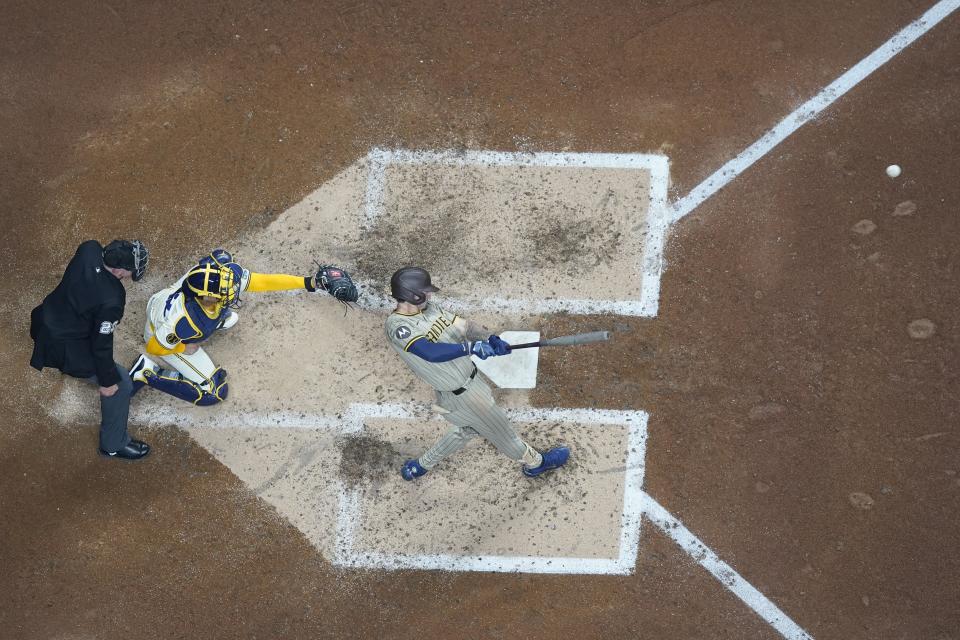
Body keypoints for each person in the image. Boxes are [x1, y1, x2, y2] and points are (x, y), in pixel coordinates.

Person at [385, 266, 569, 480]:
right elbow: (430, 352)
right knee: (504, 435)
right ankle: (537, 464)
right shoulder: (398, 326)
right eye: (425, 291)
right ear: (412, 295)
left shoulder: (429, 309)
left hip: (468, 386)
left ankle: (420, 466)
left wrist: (489, 337)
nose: (430, 294)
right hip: (465, 396)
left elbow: (464, 327)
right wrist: (471, 349)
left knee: (467, 429)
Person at [128, 249, 357, 405]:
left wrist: (309, 282)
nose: (233, 291)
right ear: (206, 297)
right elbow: (154, 346)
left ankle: (217, 319)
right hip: (160, 329)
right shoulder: (185, 323)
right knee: (214, 393)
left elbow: (260, 281)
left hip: (167, 296)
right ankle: (144, 372)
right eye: (223, 293)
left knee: (226, 293)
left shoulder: (215, 274)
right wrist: (181, 349)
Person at [30, 239, 151, 460]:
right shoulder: (113, 298)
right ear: (116, 269)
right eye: (128, 270)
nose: (130, 273)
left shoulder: (89, 249)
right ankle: (113, 445)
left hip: (43, 319)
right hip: (61, 346)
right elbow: (101, 343)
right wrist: (107, 382)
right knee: (121, 383)